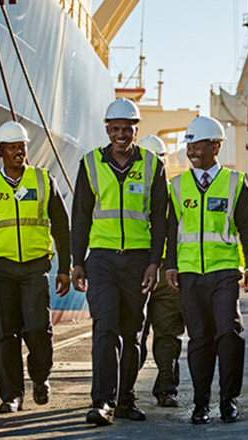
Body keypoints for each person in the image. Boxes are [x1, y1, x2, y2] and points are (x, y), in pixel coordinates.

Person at [71, 98, 168, 426]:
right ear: (107, 129)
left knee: (133, 333)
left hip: (139, 262)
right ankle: (102, 402)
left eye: (128, 129)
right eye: (115, 129)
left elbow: (160, 218)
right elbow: (80, 216)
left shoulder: (154, 165)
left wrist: (155, 262)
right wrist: (77, 261)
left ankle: (125, 399)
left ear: (136, 130)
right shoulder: (90, 164)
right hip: (101, 260)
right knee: (105, 328)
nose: (122, 135)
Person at [165, 116, 248, 424]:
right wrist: (171, 266)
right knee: (200, 339)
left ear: (215, 146)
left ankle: (228, 399)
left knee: (228, 332)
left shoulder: (234, 182)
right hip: (191, 274)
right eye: (189, 144)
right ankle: (201, 404)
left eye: (197, 143)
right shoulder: (177, 186)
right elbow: (171, 230)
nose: (191, 149)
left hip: (224, 271)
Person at [0, 121, 71, 414]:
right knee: (5, 335)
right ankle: (11, 395)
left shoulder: (44, 181)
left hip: (34, 268)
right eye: (12, 147)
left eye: (22, 146)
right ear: (0, 151)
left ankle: (40, 377)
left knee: (38, 330)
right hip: (1, 268)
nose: (19, 151)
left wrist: (65, 267)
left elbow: (62, 225)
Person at [137, 134, 185, 408]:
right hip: (142, 273)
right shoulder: (135, 192)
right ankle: (127, 391)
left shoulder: (174, 193)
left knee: (166, 336)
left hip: (165, 274)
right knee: (137, 336)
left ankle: (165, 388)